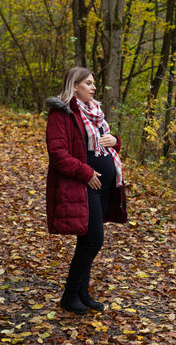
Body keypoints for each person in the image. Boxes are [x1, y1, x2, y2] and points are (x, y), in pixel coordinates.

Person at [45, 67, 127, 315]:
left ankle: (82, 293)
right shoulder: (62, 114)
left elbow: (104, 143)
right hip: (82, 185)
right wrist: (87, 173)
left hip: (102, 187)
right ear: (75, 85)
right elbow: (58, 155)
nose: (93, 87)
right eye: (88, 83)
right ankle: (70, 295)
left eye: (94, 83)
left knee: (87, 239)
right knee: (93, 240)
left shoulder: (95, 113)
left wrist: (116, 141)